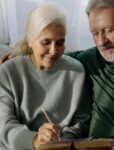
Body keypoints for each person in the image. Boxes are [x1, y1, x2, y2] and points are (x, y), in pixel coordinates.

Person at [1, 0, 114, 150]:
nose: (101, 42)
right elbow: (53, 57)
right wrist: (20, 52)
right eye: (95, 33)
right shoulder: (91, 58)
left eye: (109, 30)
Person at [0, 3, 92, 150]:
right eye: (46, 42)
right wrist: (36, 140)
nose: (54, 51)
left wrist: (61, 143)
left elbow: (82, 122)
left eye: (60, 43)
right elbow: (4, 125)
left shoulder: (77, 71)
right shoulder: (8, 72)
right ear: (30, 40)